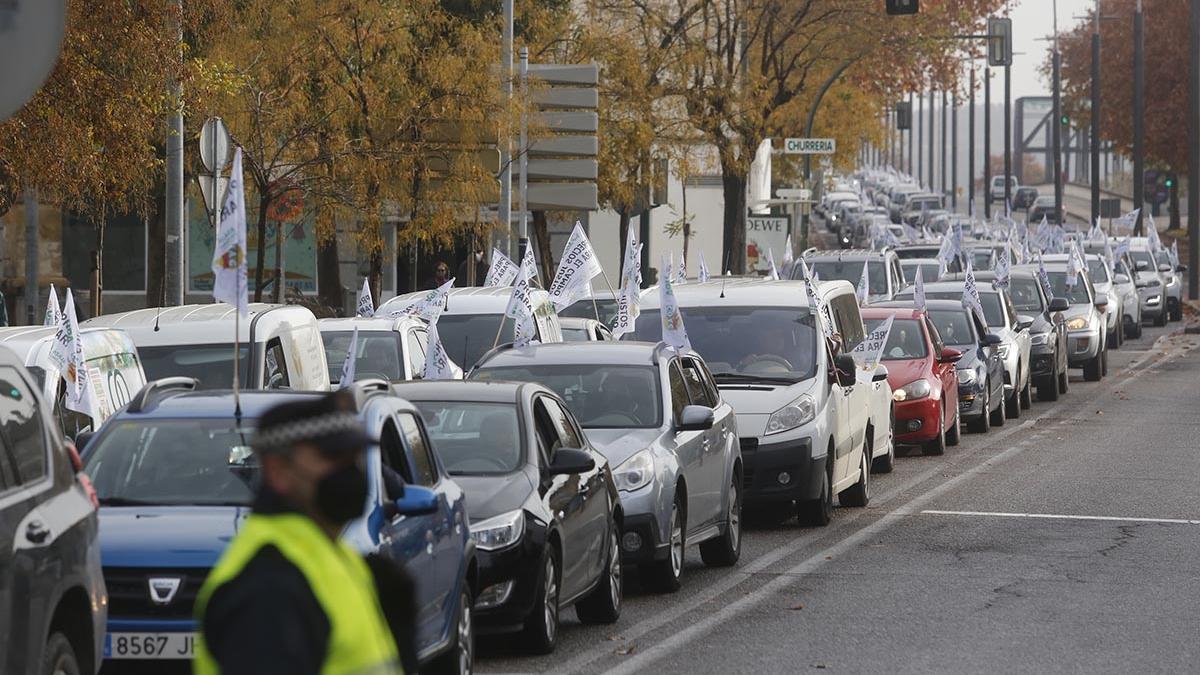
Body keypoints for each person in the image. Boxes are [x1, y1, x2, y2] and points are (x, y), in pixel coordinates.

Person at [193, 391, 412, 675]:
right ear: (278, 471)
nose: (350, 473)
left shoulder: (330, 552)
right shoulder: (268, 584)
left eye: (354, 458)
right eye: (333, 457)